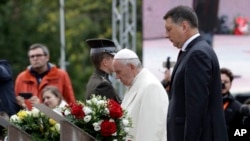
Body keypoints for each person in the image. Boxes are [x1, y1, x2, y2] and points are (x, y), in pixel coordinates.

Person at [163, 5, 228, 141]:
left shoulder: (197, 54)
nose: (166, 35)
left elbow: (196, 109)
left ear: (184, 26)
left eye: (169, 29)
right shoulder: (194, 51)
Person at [112, 48, 168, 141]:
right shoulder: (134, 84)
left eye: (118, 72)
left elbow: (150, 134)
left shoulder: (151, 86)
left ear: (131, 67)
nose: (117, 77)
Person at [15, 43, 75, 110]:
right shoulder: (21, 78)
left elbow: (70, 101)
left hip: (55, 118)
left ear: (47, 57)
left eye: (38, 55)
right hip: (29, 119)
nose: (35, 58)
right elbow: (16, 103)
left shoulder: (61, 75)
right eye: (32, 56)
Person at [85, 39, 121, 103]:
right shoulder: (103, 86)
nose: (115, 61)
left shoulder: (94, 79)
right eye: (113, 58)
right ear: (105, 62)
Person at [220, 67, 243, 140]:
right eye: (219, 81)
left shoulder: (238, 107)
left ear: (230, 84)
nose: (222, 84)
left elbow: (241, 132)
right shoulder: (206, 104)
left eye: (226, 82)